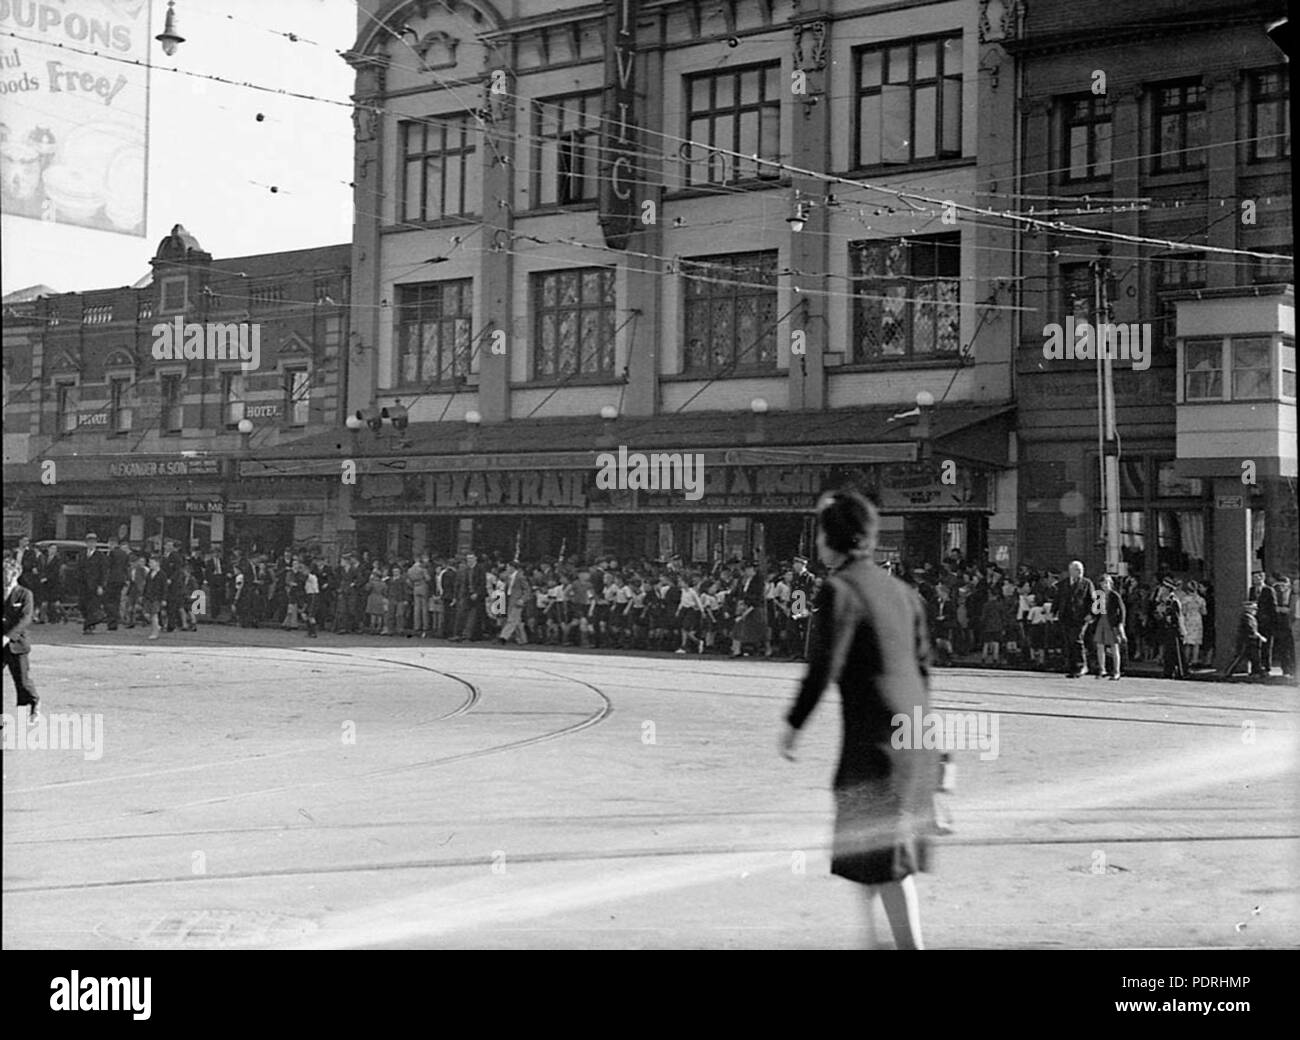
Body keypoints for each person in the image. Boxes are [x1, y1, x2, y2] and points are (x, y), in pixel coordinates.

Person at [779, 490, 937, 950]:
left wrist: (793, 724)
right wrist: (938, 761)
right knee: (874, 859)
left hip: (875, 751)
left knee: (883, 862)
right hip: (911, 747)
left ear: (832, 538)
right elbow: (923, 675)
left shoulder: (839, 589)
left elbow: (824, 663)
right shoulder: (904, 593)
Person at [3, 557, 40, 724]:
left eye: (8, 575)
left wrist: (8, 636)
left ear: (15, 575)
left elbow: (25, 620)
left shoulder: (25, 594)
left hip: (17, 644)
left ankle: (34, 704)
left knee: (22, 681)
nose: (5, 579)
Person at [1052, 560, 1095, 677]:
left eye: (1081, 570)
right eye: (1077, 570)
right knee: (1068, 641)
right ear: (1071, 571)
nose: (1080, 572)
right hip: (1066, 616)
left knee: (1077, 639)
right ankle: (1072, 667)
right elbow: (1057, 599)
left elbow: (1093, 600)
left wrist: (1091, 614)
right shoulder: (1063, 584)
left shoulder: (1087, 583)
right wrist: (1053, 612)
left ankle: (1082, 665)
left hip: (1080, 617)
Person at [1090, 573, 1126, 680]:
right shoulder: (1099, 595)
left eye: (1107, 583)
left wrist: (1121, 624)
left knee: (1114, 647)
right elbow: (1095, 610)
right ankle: (1102, 669)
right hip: (1101, 622)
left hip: (1112, 623)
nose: (1105, 585)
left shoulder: (1115, 595)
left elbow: (1122, 611)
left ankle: (1117, 671)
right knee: (1100, 646)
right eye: (1103, 583)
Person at [1221, 600, 1268, 681]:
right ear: (1249, 609)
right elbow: (1251, 630)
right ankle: (1228, 672)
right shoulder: (1247, 617)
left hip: (1251, 641)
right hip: (1245, 642)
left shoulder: (1250, 617)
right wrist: (1260, 637)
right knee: (1240, 657)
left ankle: (1260, 673)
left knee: (1255, 658)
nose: (1255, 611)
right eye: (1253, 609)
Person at [1152, 578, 1186, 679]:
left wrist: (1180, 629)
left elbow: (1178, 616)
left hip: (1174, 629)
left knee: (1177, 651)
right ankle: (1168, 671)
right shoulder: (1164, 601)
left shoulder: (1173, 601)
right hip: (1166, 629)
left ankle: (1182, 671)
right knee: (1168, 652)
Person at [1250, 571, 1277, 676]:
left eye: (1257, 578)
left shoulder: (1269, 590)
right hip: (1255, 621)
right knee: (1255, 645)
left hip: (1266, 622)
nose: (1255, 580)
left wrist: (1273, 621)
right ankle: (1256, 667)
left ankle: (1266, 667)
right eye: (1253, 578)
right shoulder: (1252, 590)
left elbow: (1273, 606)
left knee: (1266, 644)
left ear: (1262, 578)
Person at [1272, 576, 1295, 679]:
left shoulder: (1293, 594)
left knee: (1293, 648)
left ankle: (1294, 670)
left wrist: (1287, 610)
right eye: (1279, 585)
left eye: (1283, 585)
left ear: (1288, 585)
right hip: (1280, 625)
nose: (1281, 588)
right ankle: (1285, 669)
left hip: (1292, 623)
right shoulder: (1276, 594)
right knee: (1283, 648)